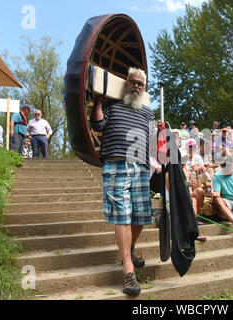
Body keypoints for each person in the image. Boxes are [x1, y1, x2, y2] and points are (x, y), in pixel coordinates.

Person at [90, 67, 156, 296]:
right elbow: (97, 125)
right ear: (126, 84)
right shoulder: (112, 105)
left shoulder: (148, 112)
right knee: (123, 215)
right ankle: (128, 272)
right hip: (115, 164)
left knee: (141, 216)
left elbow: (153, 142)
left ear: (144, 87)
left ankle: (130, 248)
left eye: (140, 83)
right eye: (132, 82)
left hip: (140, 167)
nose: (136, 86)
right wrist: (99, 100)